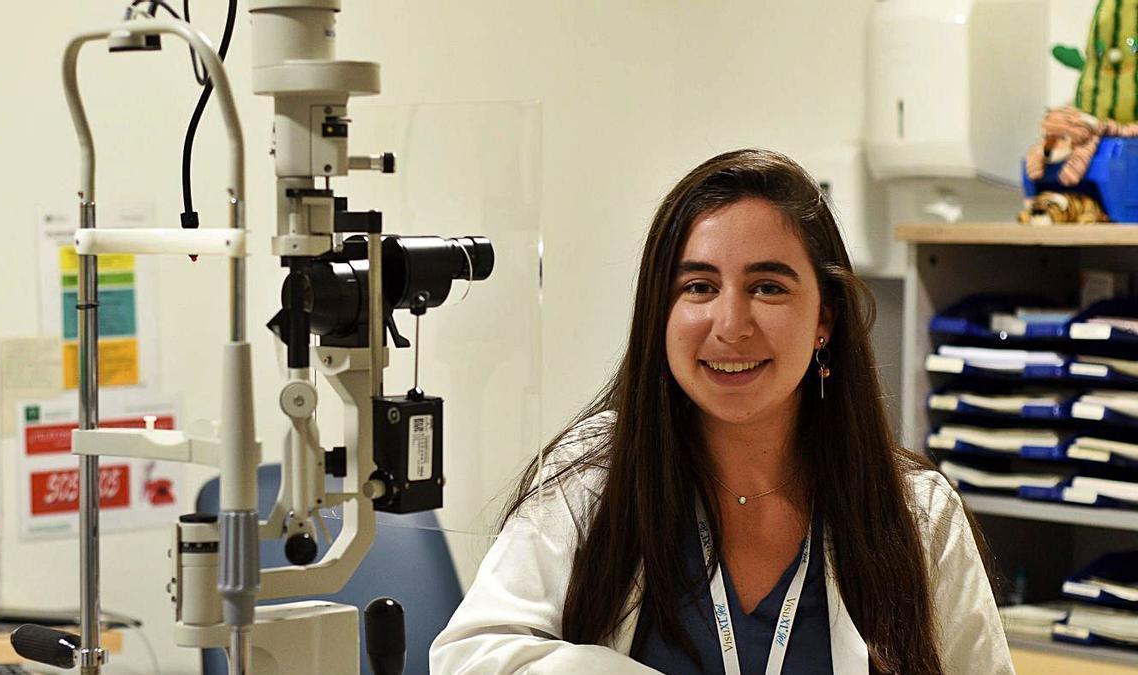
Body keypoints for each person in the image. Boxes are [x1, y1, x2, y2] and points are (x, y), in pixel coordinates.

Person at [430, 149, 1011, 674]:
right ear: (661, 312)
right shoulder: (591, 479)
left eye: (768, 287)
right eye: (699, 288)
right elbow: (473, 656)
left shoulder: (917, 513)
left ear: (824, 322)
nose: (731, 325)